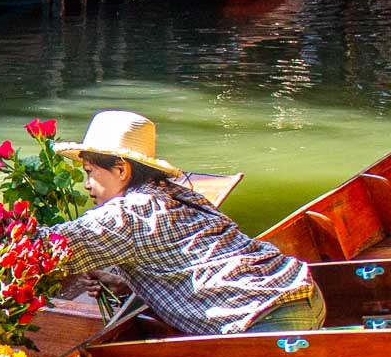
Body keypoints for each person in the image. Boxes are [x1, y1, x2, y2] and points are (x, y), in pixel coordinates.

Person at [55, 110, 324, 334]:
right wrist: (129, 281)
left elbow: (46, 248)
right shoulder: (179, 194)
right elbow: (193, 256)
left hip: (267, 319)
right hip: (307, 297)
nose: (87, 184)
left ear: (122, 170)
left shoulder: (126, 213)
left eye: (90, 172)